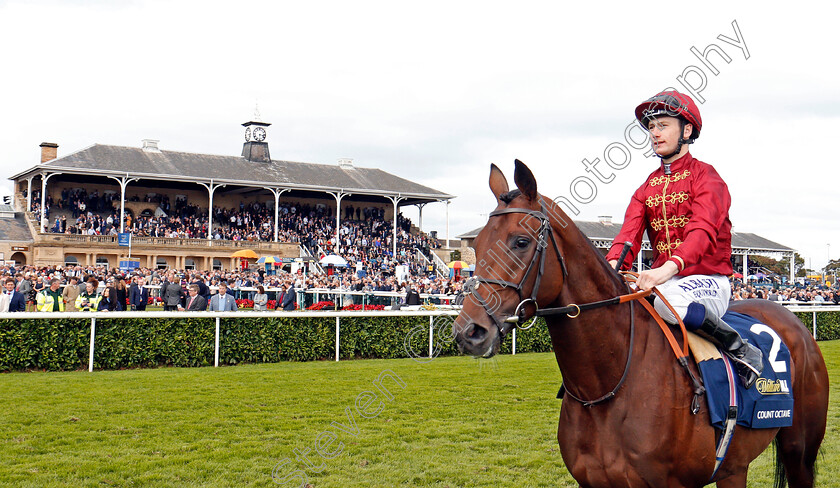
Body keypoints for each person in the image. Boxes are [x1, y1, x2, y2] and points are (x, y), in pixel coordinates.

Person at [606, 90, 763, 388]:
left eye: (663, 125)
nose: (654, 133)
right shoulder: (646, 188)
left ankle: (740, 349)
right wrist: (612, 267)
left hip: (708, 282)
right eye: (651, 127)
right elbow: (627, 237)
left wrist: (664, 271)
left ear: (686, 130)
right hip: (664, 283)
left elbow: (701, 232)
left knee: (667, 303)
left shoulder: (708, 178)